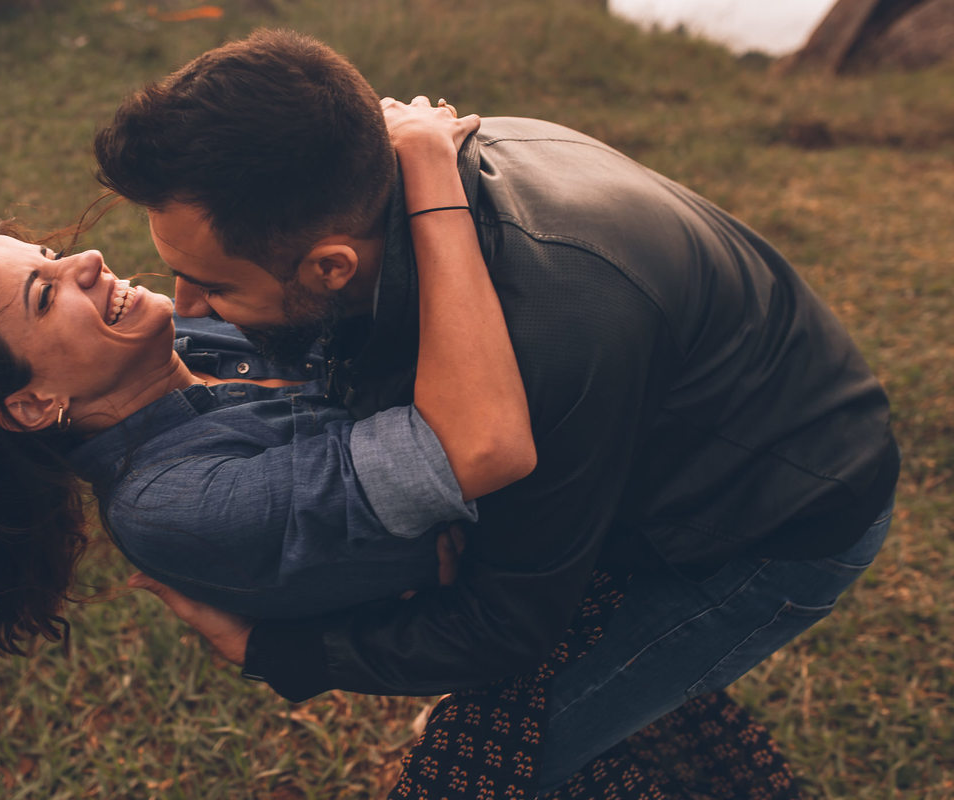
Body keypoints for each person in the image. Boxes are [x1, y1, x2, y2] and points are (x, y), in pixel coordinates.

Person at [93, 29, 900, 790]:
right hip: (654, 464)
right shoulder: (407, 176)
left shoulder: (544, 333)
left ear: (331, 267)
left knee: (485, 769)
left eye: (215, 286)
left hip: (774, 522)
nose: (186, 308)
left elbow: (508, 627)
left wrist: (281, 649)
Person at [0, 101, 534, 671]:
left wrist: (358, 150)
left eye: (50, 256)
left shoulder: (185, 338)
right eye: (44, 295)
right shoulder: (171, 503)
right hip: (543, 596)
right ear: (33, 403)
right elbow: (475, 447)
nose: (89, 259)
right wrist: (428, 172)